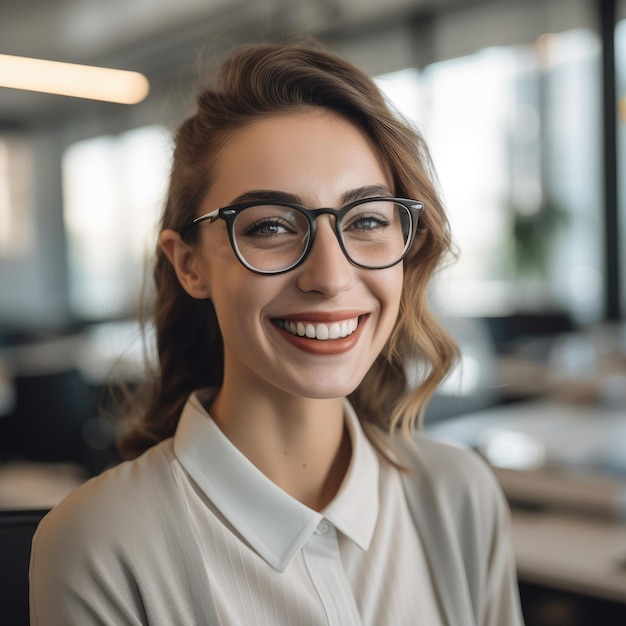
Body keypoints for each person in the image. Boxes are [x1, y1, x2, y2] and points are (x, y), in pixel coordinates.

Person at [29, 41, 524, 626]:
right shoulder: (102, 545)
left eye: (366, 220)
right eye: (269, 226)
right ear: (190, 264)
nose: (331, 277)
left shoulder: (460, 495)